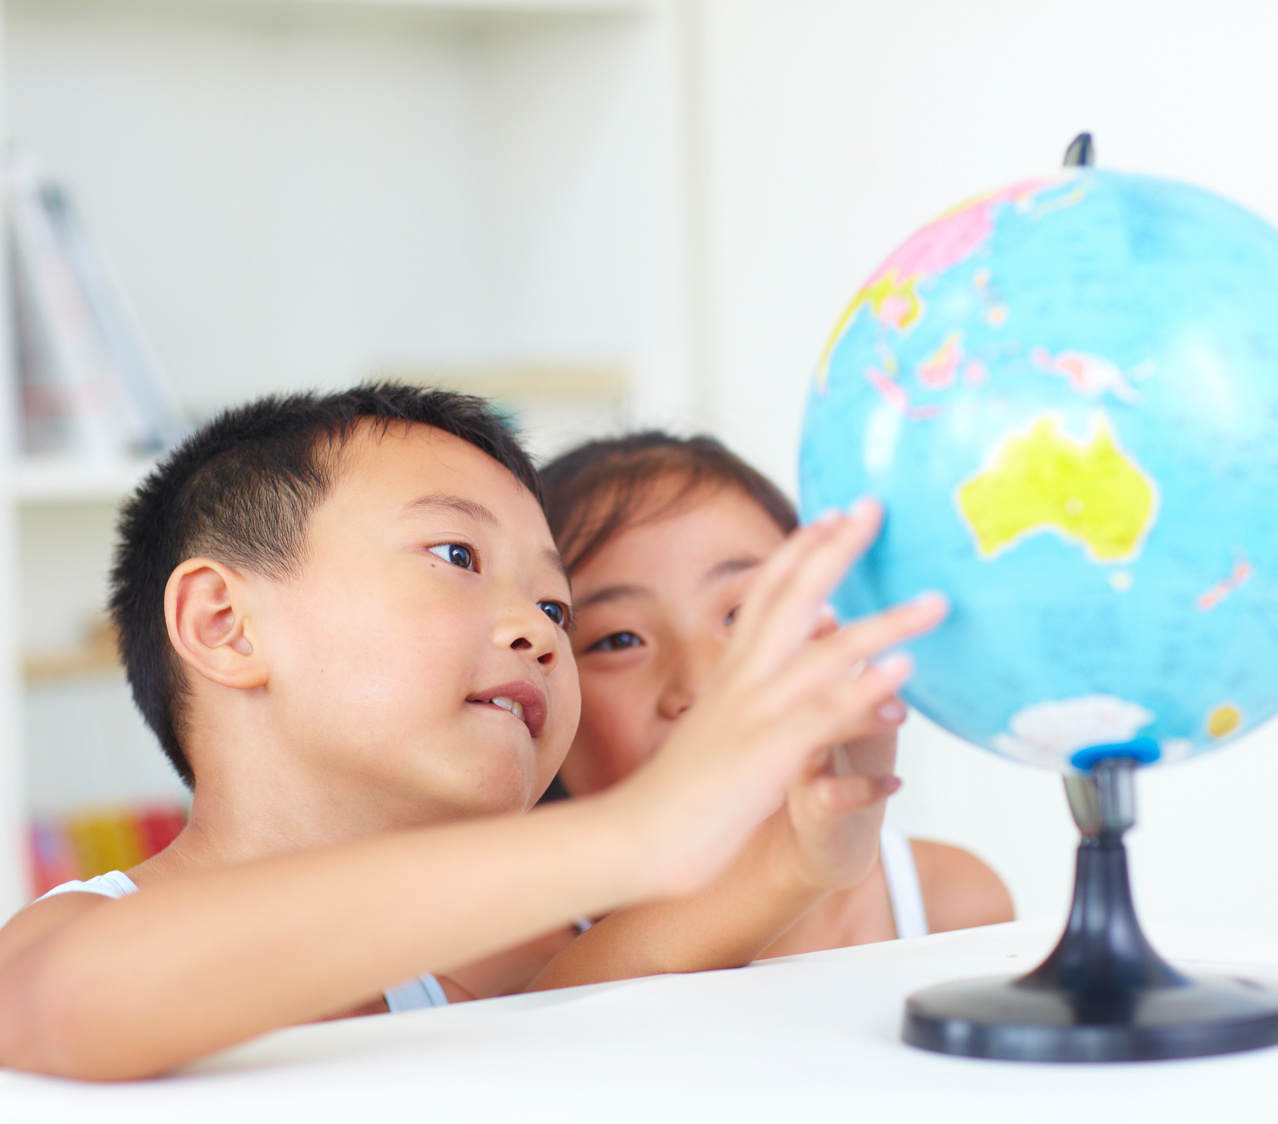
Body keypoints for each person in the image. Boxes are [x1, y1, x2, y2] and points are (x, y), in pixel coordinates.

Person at [0, 385, 946, 1080]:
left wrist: (803, 853)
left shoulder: (474, 982)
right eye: (456, 555)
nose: (538, 630)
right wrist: (644, 831)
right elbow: (67, 1003)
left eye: (556, 606)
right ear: (224, 624)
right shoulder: (82, 935)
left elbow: (591, 999)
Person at [535, 431, 1013, 958]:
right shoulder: (509, 962)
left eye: (745, 615)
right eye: (619, 640)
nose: (703, 686)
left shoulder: (949, 903)